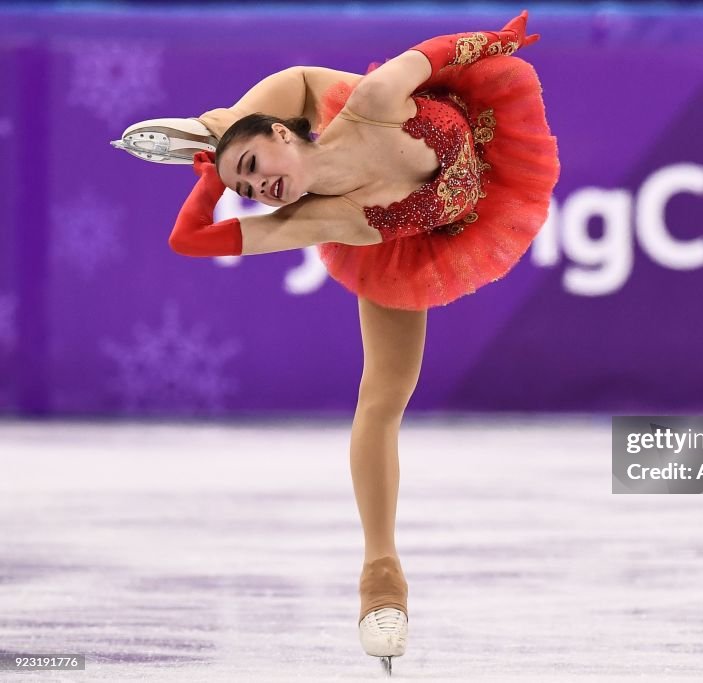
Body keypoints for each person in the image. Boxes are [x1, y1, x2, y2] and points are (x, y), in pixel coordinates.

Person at [113, 10, 559, 675]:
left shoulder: (372, 102)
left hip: (465, 135)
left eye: (254, 165)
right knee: (383, 398)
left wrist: (501, 40)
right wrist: (215, 175)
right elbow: (190, 240)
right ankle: (382, 576)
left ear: (277, 136)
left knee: (304, 83)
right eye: (247, 188)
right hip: (404, 238)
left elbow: (438, 52)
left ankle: (215, 122)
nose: (258, 188)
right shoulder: (325, 217)